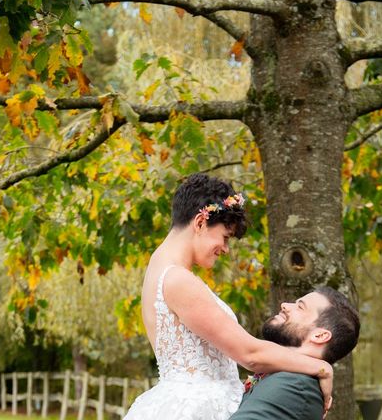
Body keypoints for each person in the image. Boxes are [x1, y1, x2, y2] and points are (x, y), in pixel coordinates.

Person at [124, 174, 334, 420]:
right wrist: (321, 368)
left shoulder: (159, 268)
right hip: (197, 410)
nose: (225, 248)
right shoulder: (178, 280)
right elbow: (250, 355)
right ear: (201, 222)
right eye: (225, 236)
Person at [230, 286, 360, 420]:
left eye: (300, 307)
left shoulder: (293, 386)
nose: (284, 305)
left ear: (320, 335)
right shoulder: (285, 378)